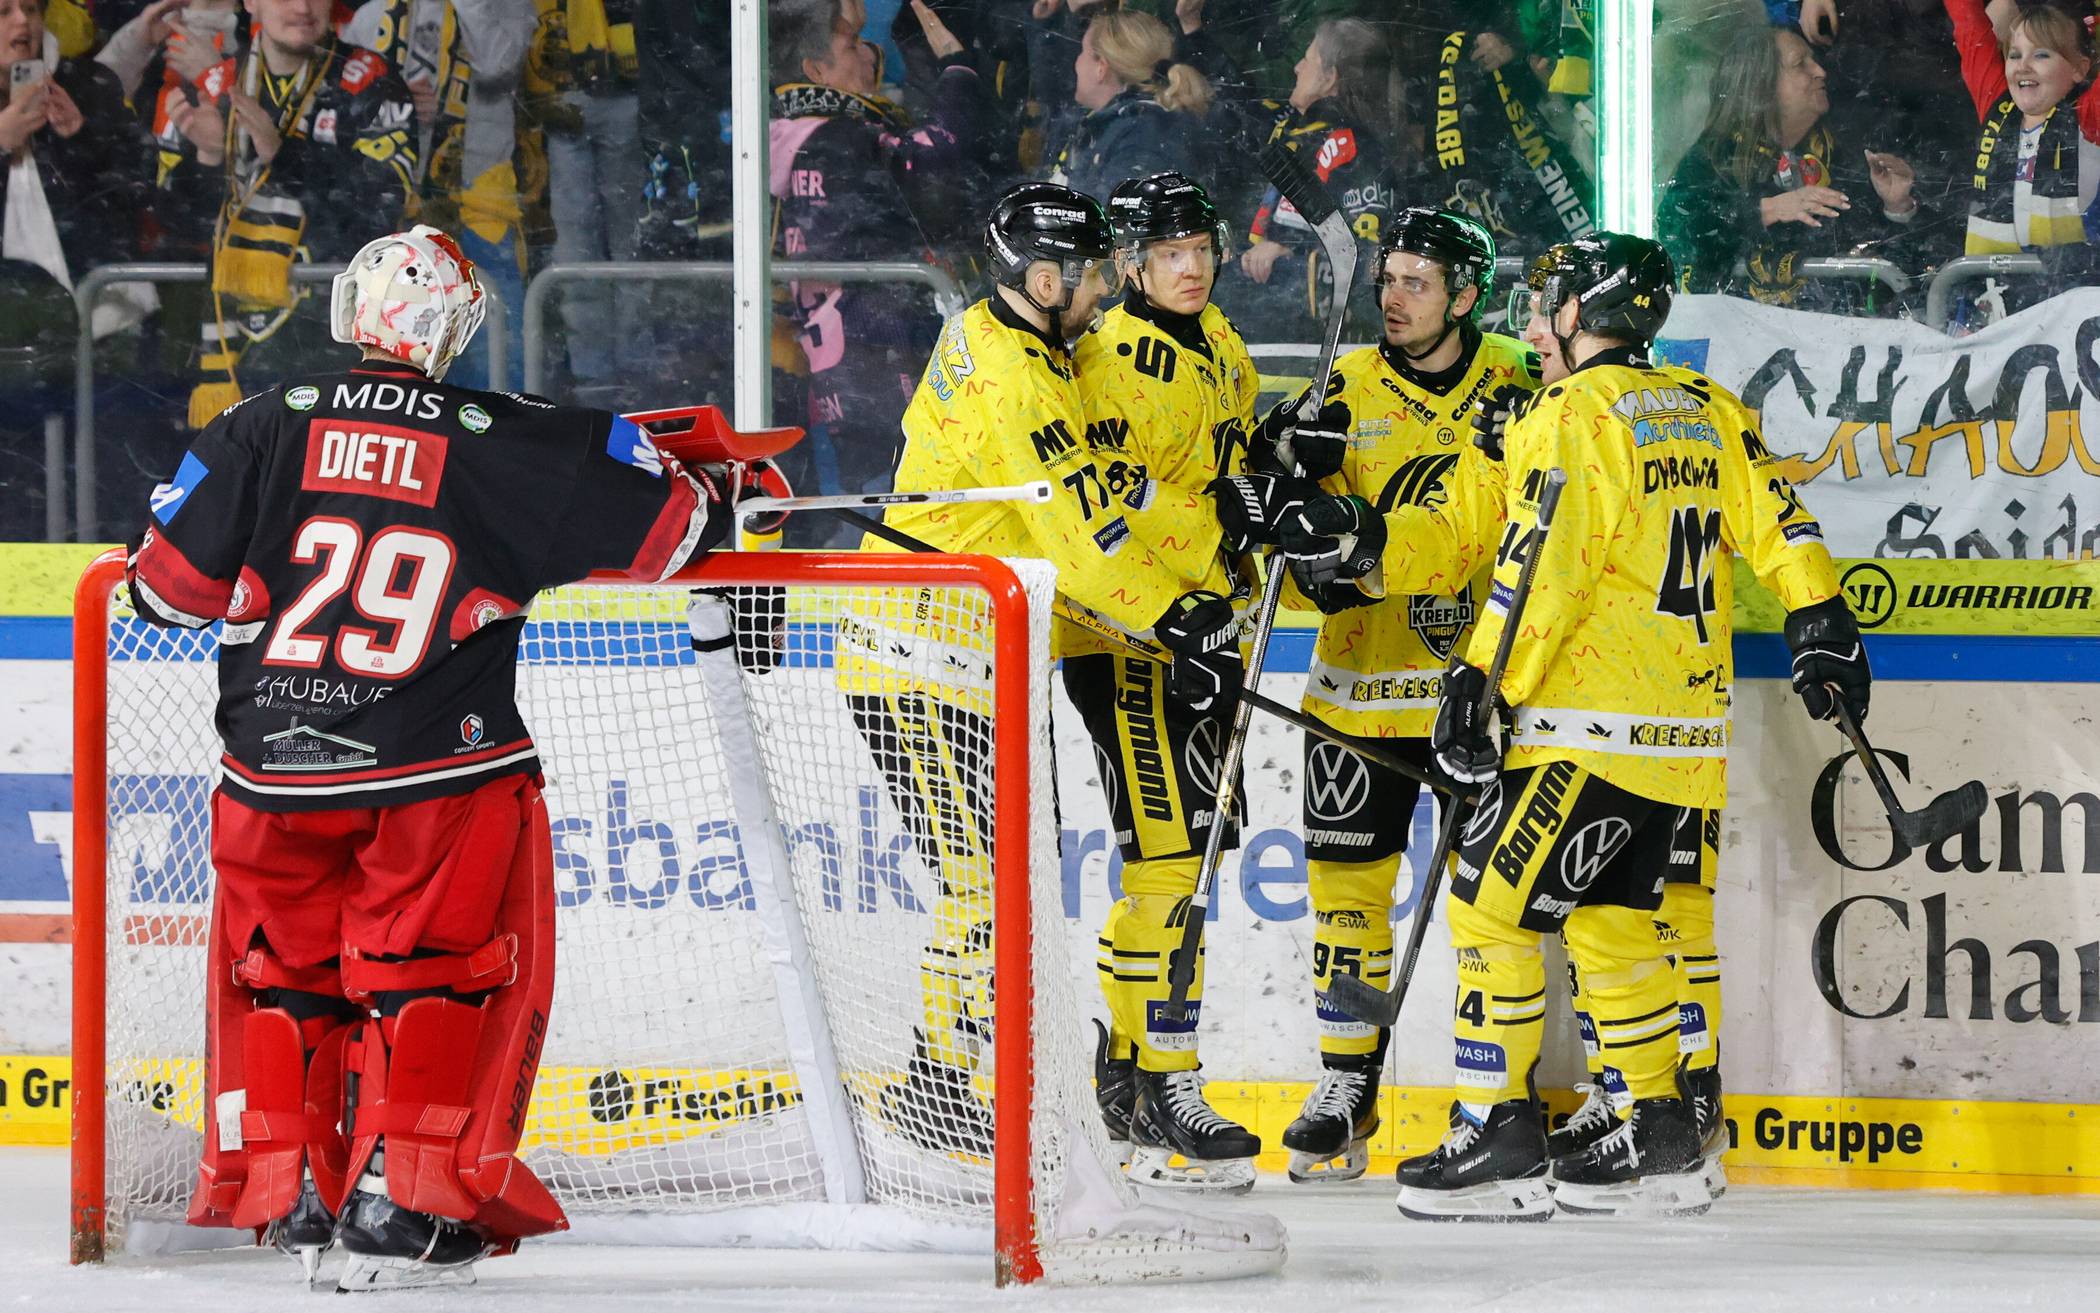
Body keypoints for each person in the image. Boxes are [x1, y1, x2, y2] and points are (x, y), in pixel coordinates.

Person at [125, 226, 733, 1288]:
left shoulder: (260, 420)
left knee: (284, 975)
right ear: (453, 332)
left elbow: (163, 593)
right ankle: (402, 1198)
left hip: (269, 770)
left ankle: (291, 1191)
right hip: (429, 772)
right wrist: (705, 479)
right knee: (428, 979)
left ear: (348, 310)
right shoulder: (503, 434)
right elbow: (677, 532)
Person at [1366, 233, 1868, 1220]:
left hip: (1588, 725)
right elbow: (1781, 520)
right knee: (1610, 922)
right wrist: (1821, 611)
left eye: (1544, 301)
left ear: (1581, 312)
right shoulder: (1704, 404)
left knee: (1488, 912)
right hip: (1685, 732)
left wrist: (1481, 679)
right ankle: (1664, 1136)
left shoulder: (1569, 413)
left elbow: (1540, 569)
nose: (1530, 321)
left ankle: (1497, 1134)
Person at [838, 181, 1247, 1175]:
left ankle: (955, 1080)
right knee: (984, 887)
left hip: (973, 657)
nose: (1106, 288)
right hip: (915, 656)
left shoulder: (1026, 341)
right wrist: (1176, 615)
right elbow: (1084, 537)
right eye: (1094, 272)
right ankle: (938, 1089)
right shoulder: (1017, 376)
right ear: (1048, 279)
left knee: (999, 884)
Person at [1230, 208, 1541, 1184]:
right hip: (1359, 689)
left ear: (1466, 294)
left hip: (1483, 693)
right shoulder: (1341, 386)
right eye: (1388, 278)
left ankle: (1494, 1095)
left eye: (1417, 282)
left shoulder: (1523, 379)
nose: (1393, 298)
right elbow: (1267, 534)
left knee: (1496, 909)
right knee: (1346, 899)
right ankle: (1346, 1082)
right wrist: (1291, 473)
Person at [1068, 171, 1270, 1190]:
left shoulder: (1220, 340)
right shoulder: (1108, 358)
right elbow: (1112, 505)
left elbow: (1228, 459)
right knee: (1170, 864)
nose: (1191, 267)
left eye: (1200, 248)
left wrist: (1279, 458)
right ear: (1130, 264)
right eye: (1168, 253)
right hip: (1133, 637)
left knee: (1189, 861)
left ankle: (1128, 1069)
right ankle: (1166, 1085)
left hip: (1207, 627)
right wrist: (1218, 527)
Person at [769, 0, 989, 545]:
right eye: (851, 46)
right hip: (874, 347)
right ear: (816, 71)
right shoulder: (839, 139)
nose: (870, 53)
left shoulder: (789, 137)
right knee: (893, 490)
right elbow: (936, 154)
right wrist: (957, 68)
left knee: (866, 484)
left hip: (841, 353)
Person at [161, 0, 418, 429]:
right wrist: (207, 157)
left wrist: (284, 154)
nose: (302, 7)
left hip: (333, 346)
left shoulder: (373, 81)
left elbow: (381, 211)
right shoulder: (212, 87)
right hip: (228, 354)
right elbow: (174, 227)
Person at [1658, 23, 1931, 312]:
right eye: (1801, 64)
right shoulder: (1717, 156)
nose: (1820, 71)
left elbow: (1895, 260)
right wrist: (1767, 210)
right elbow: (1677, 230)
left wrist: (1897, 205)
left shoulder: (1844, 152)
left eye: (1814, 60)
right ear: (1761, 84)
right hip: (1739, 330)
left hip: (1837, 328)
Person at [1212, 17, 1399, 343]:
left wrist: (1287, 247)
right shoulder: (1313, 133)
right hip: (1290, 312)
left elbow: (1353, 253)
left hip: (1307, 328)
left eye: (1308, 59)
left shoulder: (1342, 144)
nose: (1297, 68)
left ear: (1329, 77)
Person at [1944, 0, 2099, 314]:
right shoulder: (1994, 100)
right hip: (1988, 309)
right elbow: (1968, 22)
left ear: (2080, 69)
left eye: (2042, 55)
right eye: (2014, 55)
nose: (2023, 66)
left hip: (2065, 314)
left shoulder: (2088, 115)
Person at [1048, 9, 1214, 201]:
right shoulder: (1113, 124)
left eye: (1082, 52)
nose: (1076, 62)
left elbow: (1117, 214)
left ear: (1101, 67)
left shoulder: (1143, 137)